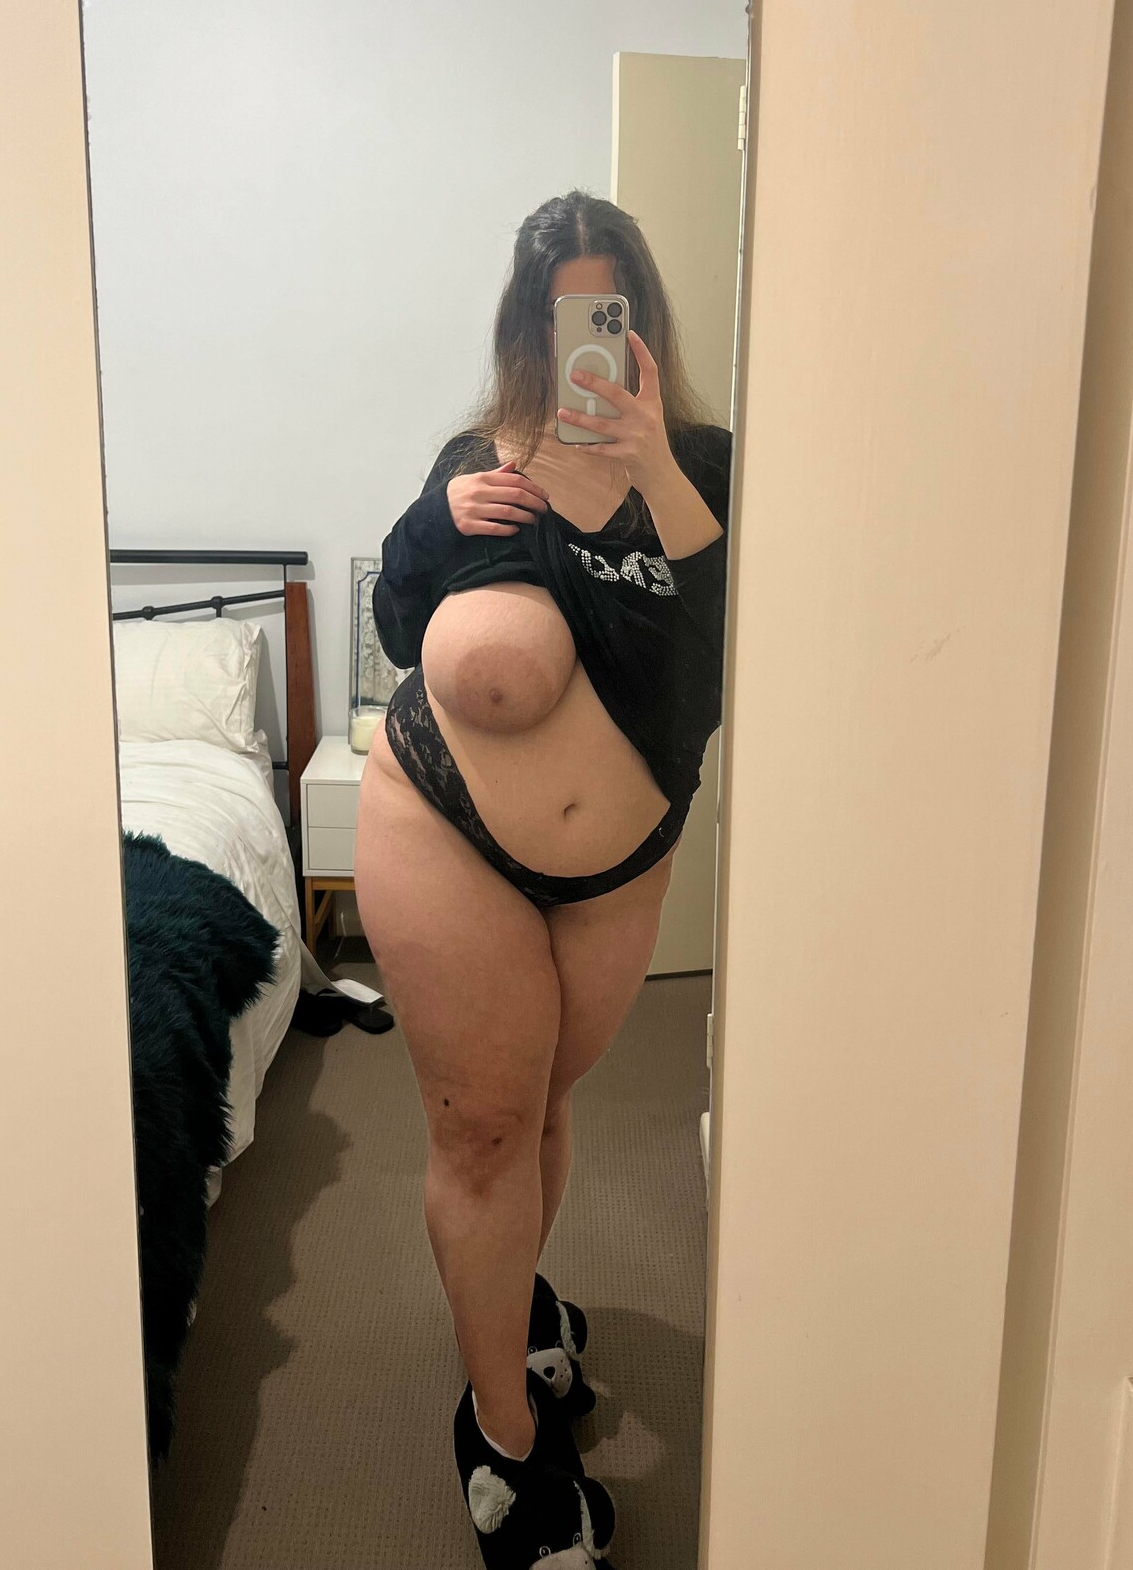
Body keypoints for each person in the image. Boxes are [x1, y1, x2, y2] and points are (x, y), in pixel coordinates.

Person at [354, 189, 732, 1567]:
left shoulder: (706, 466)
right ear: (527, 329)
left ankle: (509, 1303)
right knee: (484, 1131)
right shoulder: (480, 462)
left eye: (606, 313)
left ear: (639, 323)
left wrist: (659, 475)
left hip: (619, 864)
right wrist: (436, 520)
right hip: (444, 825)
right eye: (561, 315)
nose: (586, 342)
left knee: (543, 1105)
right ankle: (504, 1437)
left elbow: (718, 667)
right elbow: (400, 625)